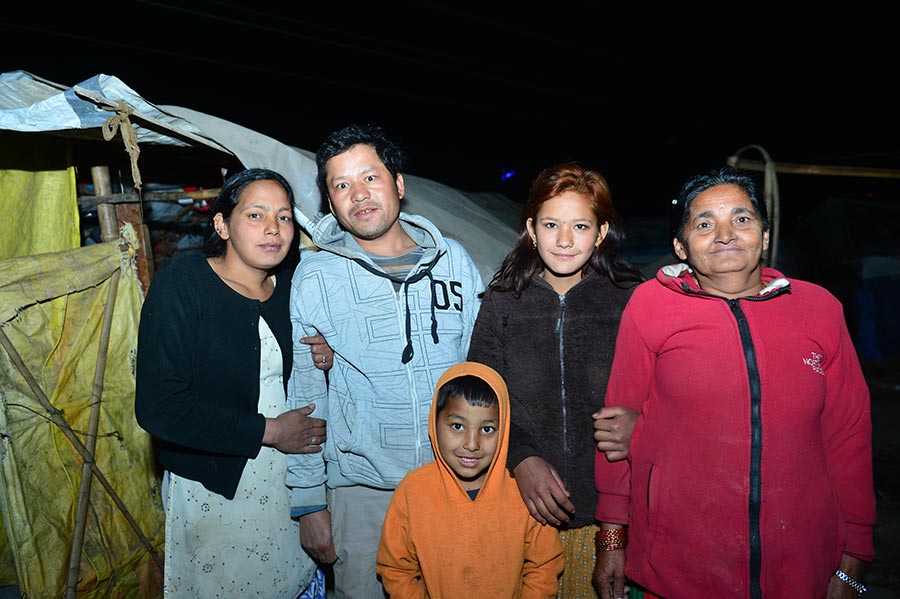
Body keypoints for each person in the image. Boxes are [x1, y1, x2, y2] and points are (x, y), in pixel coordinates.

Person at [592, 166, 877, 599]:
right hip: (678, 565)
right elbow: (615, 429)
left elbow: (848, 435)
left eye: (741, 219)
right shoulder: (649, 305)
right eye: (704, 224)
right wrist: (612, 540)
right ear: (680, 246)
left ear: (764, 235)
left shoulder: (820, 309)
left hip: (800, 566)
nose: (725, 234)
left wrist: (855, 553)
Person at [285, 123, 484, 599]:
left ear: (399, 184)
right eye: (341, 185)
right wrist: (310, 502)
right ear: (330, 202)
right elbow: (307, 396)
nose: (358, 194)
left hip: (456, 482)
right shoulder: (316, 276)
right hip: (363, 493)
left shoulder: (453, 261)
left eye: (370, 177)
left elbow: (484, 371)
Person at [134, 168, 330, 598]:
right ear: (222, 224)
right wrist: (272, 431)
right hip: (215, 490)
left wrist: (330, 359)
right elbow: (159, 406)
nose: (274, 230)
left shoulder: (296, 289)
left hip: (290, 483)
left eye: (284, 217)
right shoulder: (183, 286)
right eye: (256, 215)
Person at [466, 162, 643, 598]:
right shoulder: (503, 303)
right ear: (531, 228)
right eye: (551, 224)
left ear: (601, 233)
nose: (564, 241)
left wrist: (643, 424)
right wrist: (520, 458)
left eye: (580, 225)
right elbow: (481, 403)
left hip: (612, 521)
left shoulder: (632, 302)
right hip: (517, 512)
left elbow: (666, 400)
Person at [376, 361, 565, 598]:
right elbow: (396, 569)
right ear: (434, 425)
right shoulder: (413, 492)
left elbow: (545, 566)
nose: (472, 444)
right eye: (457, 426)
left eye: (487, 429)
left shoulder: (523, 493)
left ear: (504, 430)